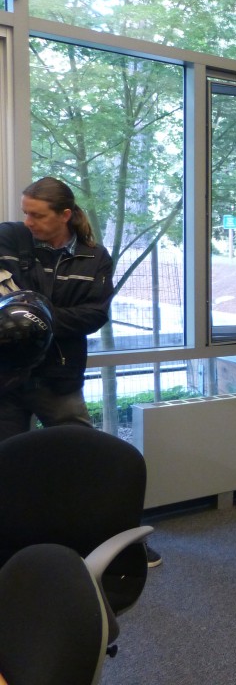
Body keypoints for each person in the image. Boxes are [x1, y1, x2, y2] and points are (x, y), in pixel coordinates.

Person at [0, 177, 162, 568]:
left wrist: (36, 317)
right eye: (25, 212)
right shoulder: (12, 239)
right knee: (7, 465)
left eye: (38, 215)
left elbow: (93, 315)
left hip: (57, 379)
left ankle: (118, 540)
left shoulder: (94, 257)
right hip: (6, 380)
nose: (28, 221)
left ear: (65, 215)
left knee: (86, 461)